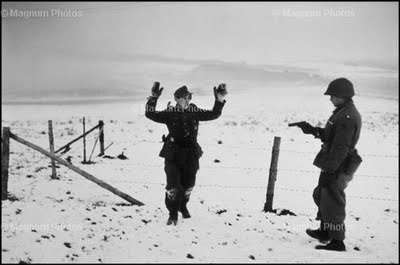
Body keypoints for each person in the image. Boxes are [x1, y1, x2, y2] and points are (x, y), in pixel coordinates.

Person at [291, 78, 362, 251]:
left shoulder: (346, 116)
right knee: (320, 196)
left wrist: (331, 171)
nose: (330, 98)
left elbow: (340, 147)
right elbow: (332, 136)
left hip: (338, 165)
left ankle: (337, 241)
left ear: (342, 96)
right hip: (333, 163)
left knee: (332, 202)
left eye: (332, 95)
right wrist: (312, 130)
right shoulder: (342, 111)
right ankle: (325, 232)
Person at [145, 82, 227, 225]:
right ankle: (172, 213)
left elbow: (214, 114)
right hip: (173, 155)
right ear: (177, 99)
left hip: (191, 155)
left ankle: (183, 206)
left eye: (189, 97)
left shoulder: (194, 111)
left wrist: (219, 100)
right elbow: (150, 113)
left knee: (188, 185)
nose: (187, 100)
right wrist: (153, 98)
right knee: (174, 187)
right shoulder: (169, 113)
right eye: (184, 98)